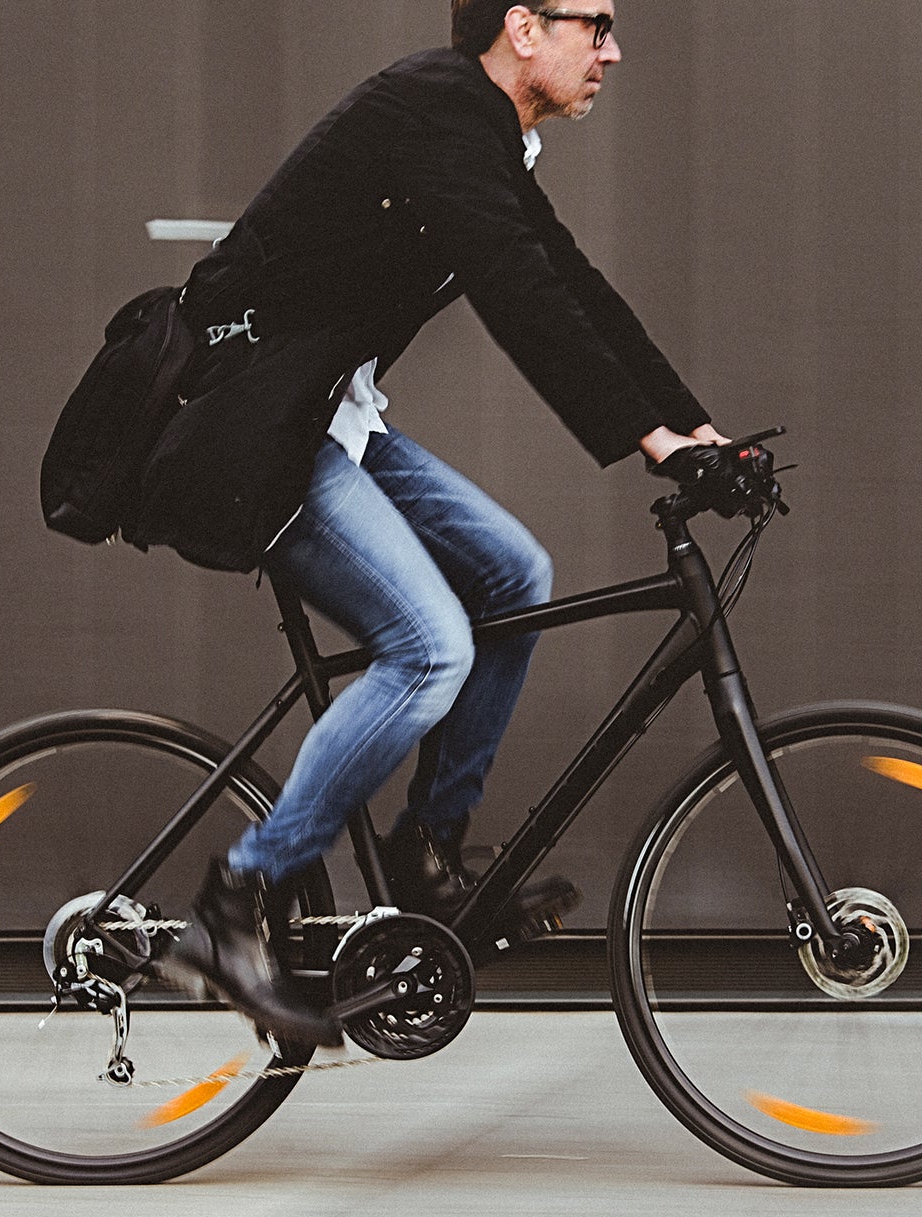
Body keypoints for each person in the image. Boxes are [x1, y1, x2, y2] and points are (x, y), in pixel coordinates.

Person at [148, 1, 726, 1046]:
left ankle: (426, 855)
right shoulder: (433, 109)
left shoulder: (485, 134)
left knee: (514, 572)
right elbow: (518, 297)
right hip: (257, 427)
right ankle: (230, 904)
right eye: (592, 24)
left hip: (331, 418)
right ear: (520, 25)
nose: (611, 49)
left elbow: (571, 288)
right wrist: (649, 441)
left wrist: (695, 431)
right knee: (426, 651)